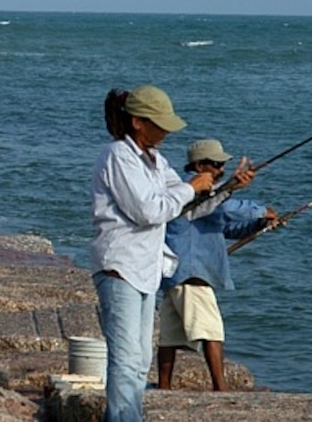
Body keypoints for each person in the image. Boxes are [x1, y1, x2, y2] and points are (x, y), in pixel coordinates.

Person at [91, 85, 243, 422]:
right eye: (159, 123)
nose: (165, 131)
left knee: (140, 358)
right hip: (120, 269)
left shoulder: (156, 161)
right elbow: (148, 210)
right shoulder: (117, 156)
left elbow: (183, 204)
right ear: (137, 122)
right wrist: (192, 186)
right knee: (127, 358)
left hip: (145, 272)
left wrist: (226, 187)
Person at [158, 139, 276, 392]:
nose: (221, 169)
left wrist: (259, 225)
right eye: (216, 164)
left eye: (223, 164)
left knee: (170, 335)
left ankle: (164, 388)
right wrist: (260, 210)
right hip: (192, 273)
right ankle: (220, 390)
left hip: (175, 276)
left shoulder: (208, 195)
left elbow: (225, 226)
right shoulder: (191, 190)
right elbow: (225, 209)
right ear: (199, 165)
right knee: (212, 332)